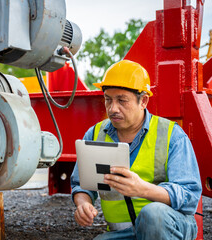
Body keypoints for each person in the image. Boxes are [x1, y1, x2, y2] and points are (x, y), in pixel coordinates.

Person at [70, 60, 202, 239]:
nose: (112, 108)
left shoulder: (171, 135)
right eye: (108, 100)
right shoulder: (95, 134)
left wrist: (143, 189)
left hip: (168, 228)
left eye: (122, 100)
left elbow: (189, 195)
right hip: (121, 234)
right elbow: (81, 184)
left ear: (144, 101)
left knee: (153, 216)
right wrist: (82, 203)